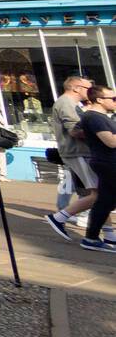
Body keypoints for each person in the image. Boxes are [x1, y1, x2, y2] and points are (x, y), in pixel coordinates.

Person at [45, 76, 116, 242]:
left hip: (84, 152)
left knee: (102, 195)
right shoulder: (66, 103)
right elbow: (75, 131)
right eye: (87, 88)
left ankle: (109, 234)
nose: (89, 91)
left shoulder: (75, 106)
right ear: (76, 88)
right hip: (77, 152)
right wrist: (98, 133)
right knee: (99, 194)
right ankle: (60, 217)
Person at [77, 84, 116, 252]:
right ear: (99, 100)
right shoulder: (94, 117)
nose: (115, 102)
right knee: (105, 201)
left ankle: (91, 238)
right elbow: (111, 141)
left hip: (107, 162)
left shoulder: (102, 117)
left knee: (105, 201)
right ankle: (91, 238)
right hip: (108, 163)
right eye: (113, 99)